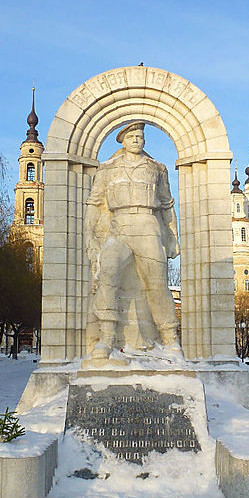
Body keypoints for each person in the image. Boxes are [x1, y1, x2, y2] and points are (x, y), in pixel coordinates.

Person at [85, 122, 181, 360]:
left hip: (147, 224)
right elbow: (95, 204)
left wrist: (172, 237)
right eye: (132, 136)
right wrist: (89, 236)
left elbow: (167, 205)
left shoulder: (157, 169)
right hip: (118, 226)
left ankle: (170, 340)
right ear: (123, 140)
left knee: (157, 283)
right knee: (107, 276)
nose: (137, 140)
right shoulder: (107, 169)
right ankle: (106, 339)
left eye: (140, 136)